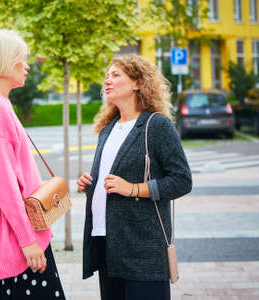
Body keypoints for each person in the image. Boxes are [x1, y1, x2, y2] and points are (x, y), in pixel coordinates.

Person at [77, 54, 192, 300]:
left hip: (144, 250)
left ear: (138, 83)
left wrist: (134, 189)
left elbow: (182, 180)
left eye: (116, 75)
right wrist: (91, 185)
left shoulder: (157, 125)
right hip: (108, 244)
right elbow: (112, 181)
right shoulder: (107, 129)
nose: (107, 81)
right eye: (106, 76)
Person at [0, 29, 66, 300]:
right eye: (20, 59)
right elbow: (2, 183)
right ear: (4, 61)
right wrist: (28, 241)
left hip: (15, 240)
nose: (26, 66)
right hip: (16, 245)